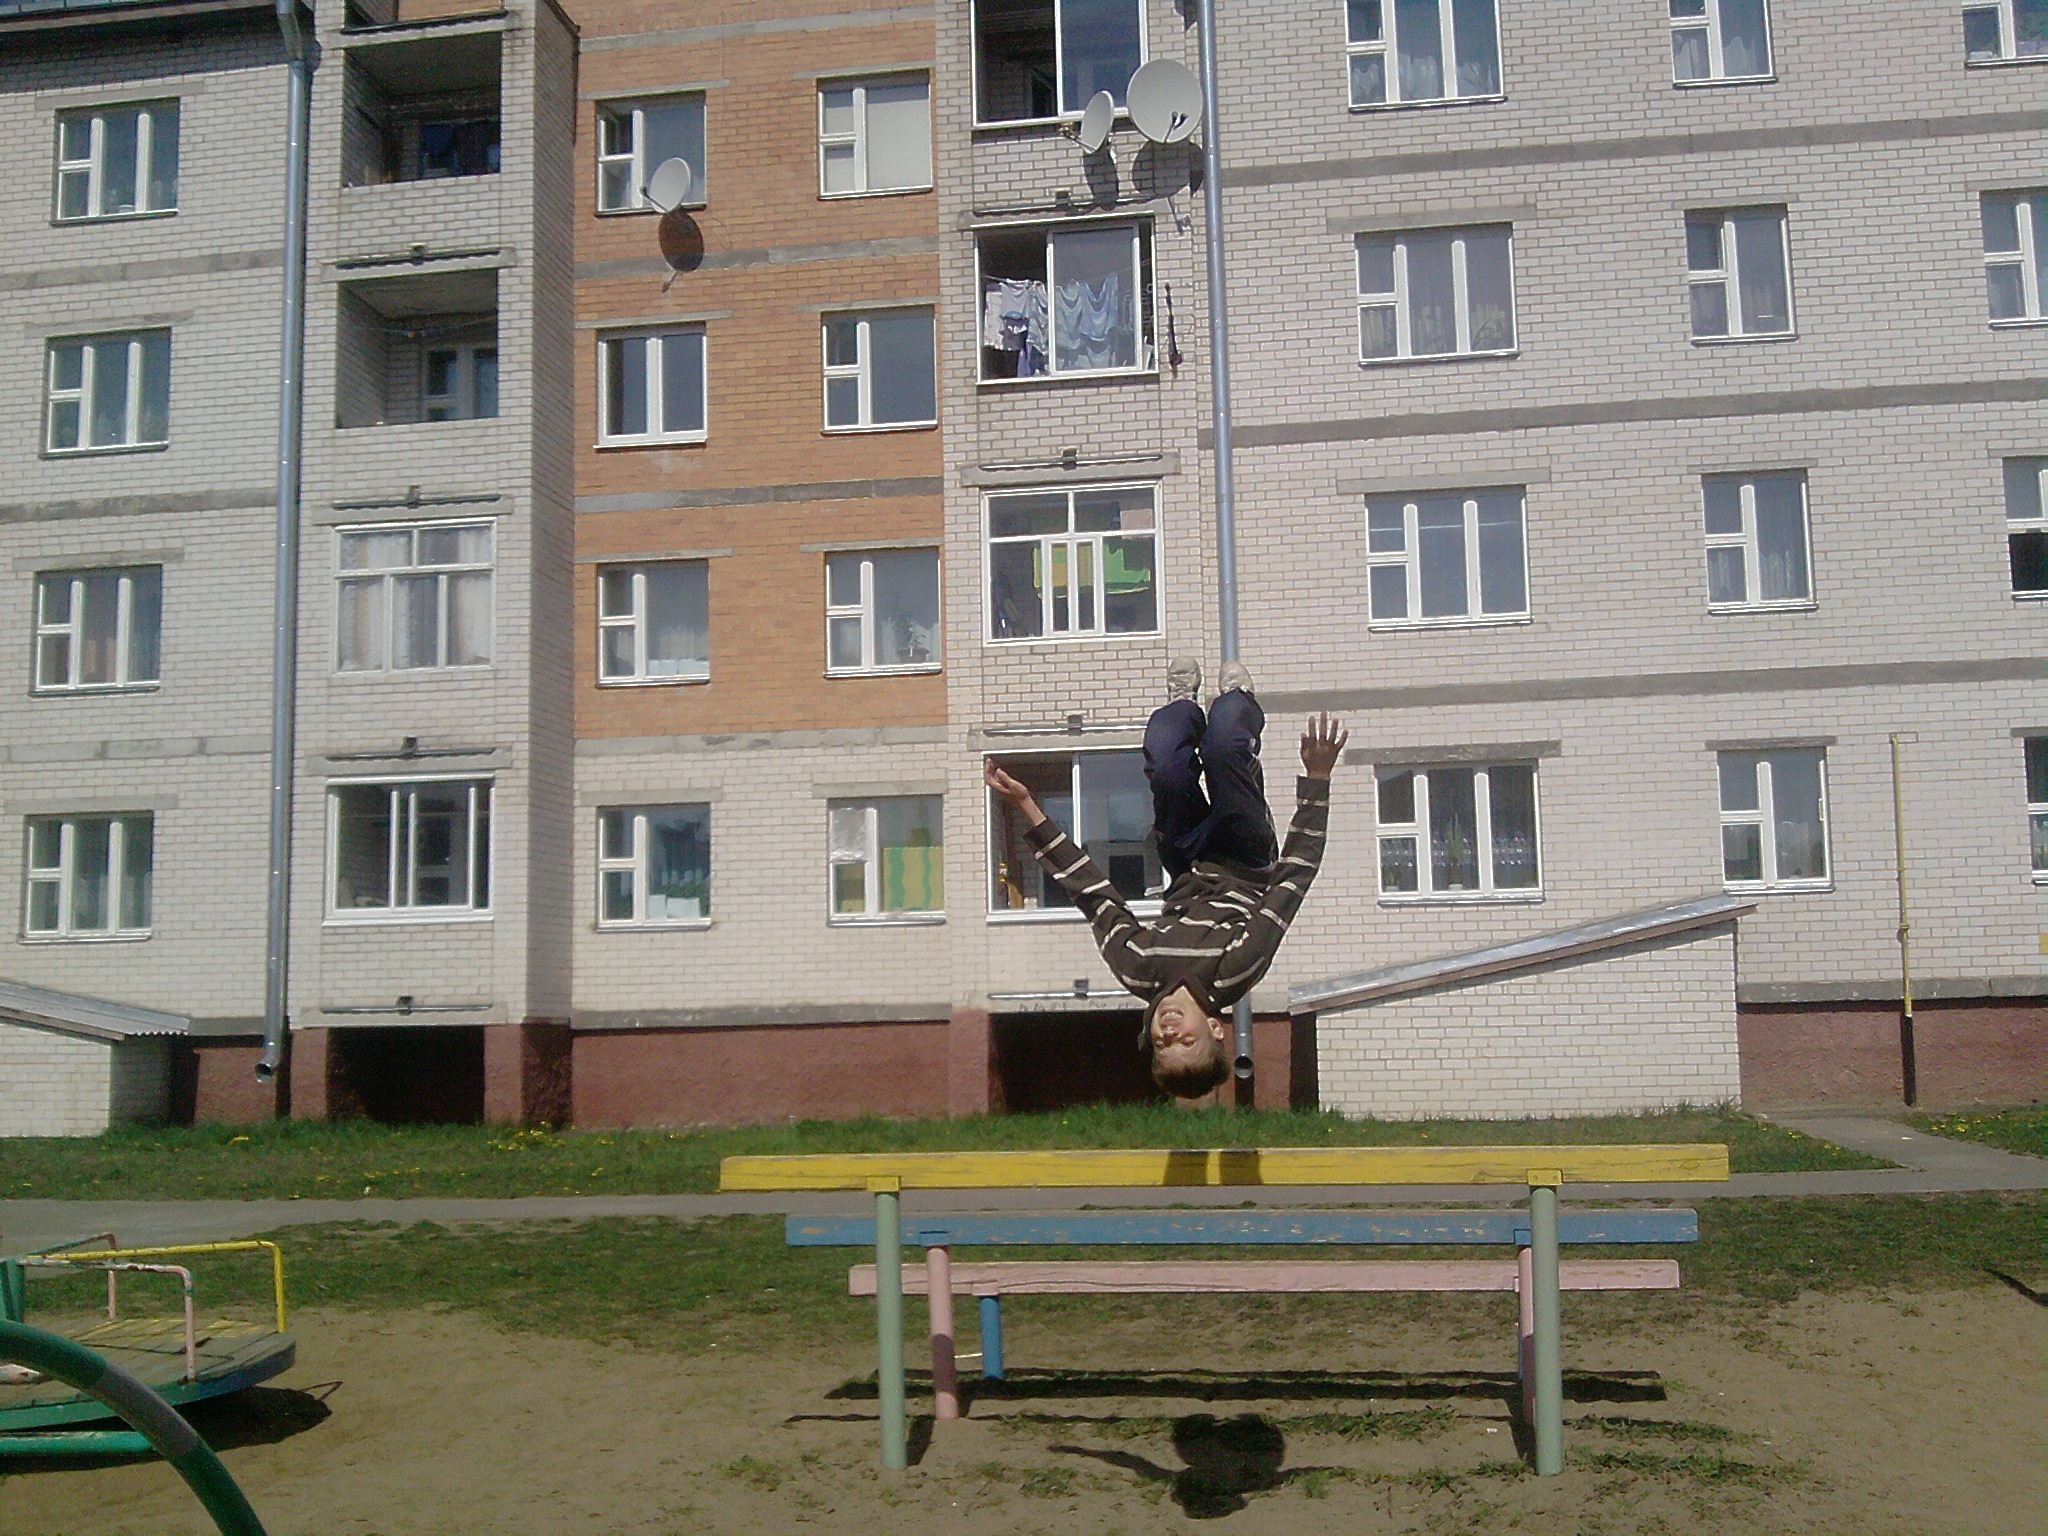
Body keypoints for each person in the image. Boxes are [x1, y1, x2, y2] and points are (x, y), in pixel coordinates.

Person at [984, 660, 1347, 1099]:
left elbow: (1095, 898)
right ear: (1215, 1028)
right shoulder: (1235, 970)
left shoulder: (1139, 968)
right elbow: (1292, 881)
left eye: (1161, 1045)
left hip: (1183, 859)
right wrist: (1318, 780)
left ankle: (1183, 706)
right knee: (1224, 747)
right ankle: (1239, 703)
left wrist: (1028, 807)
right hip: (1245, 856)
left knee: (1167, 762)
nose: (1170, 1032)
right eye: (1186, 1042)